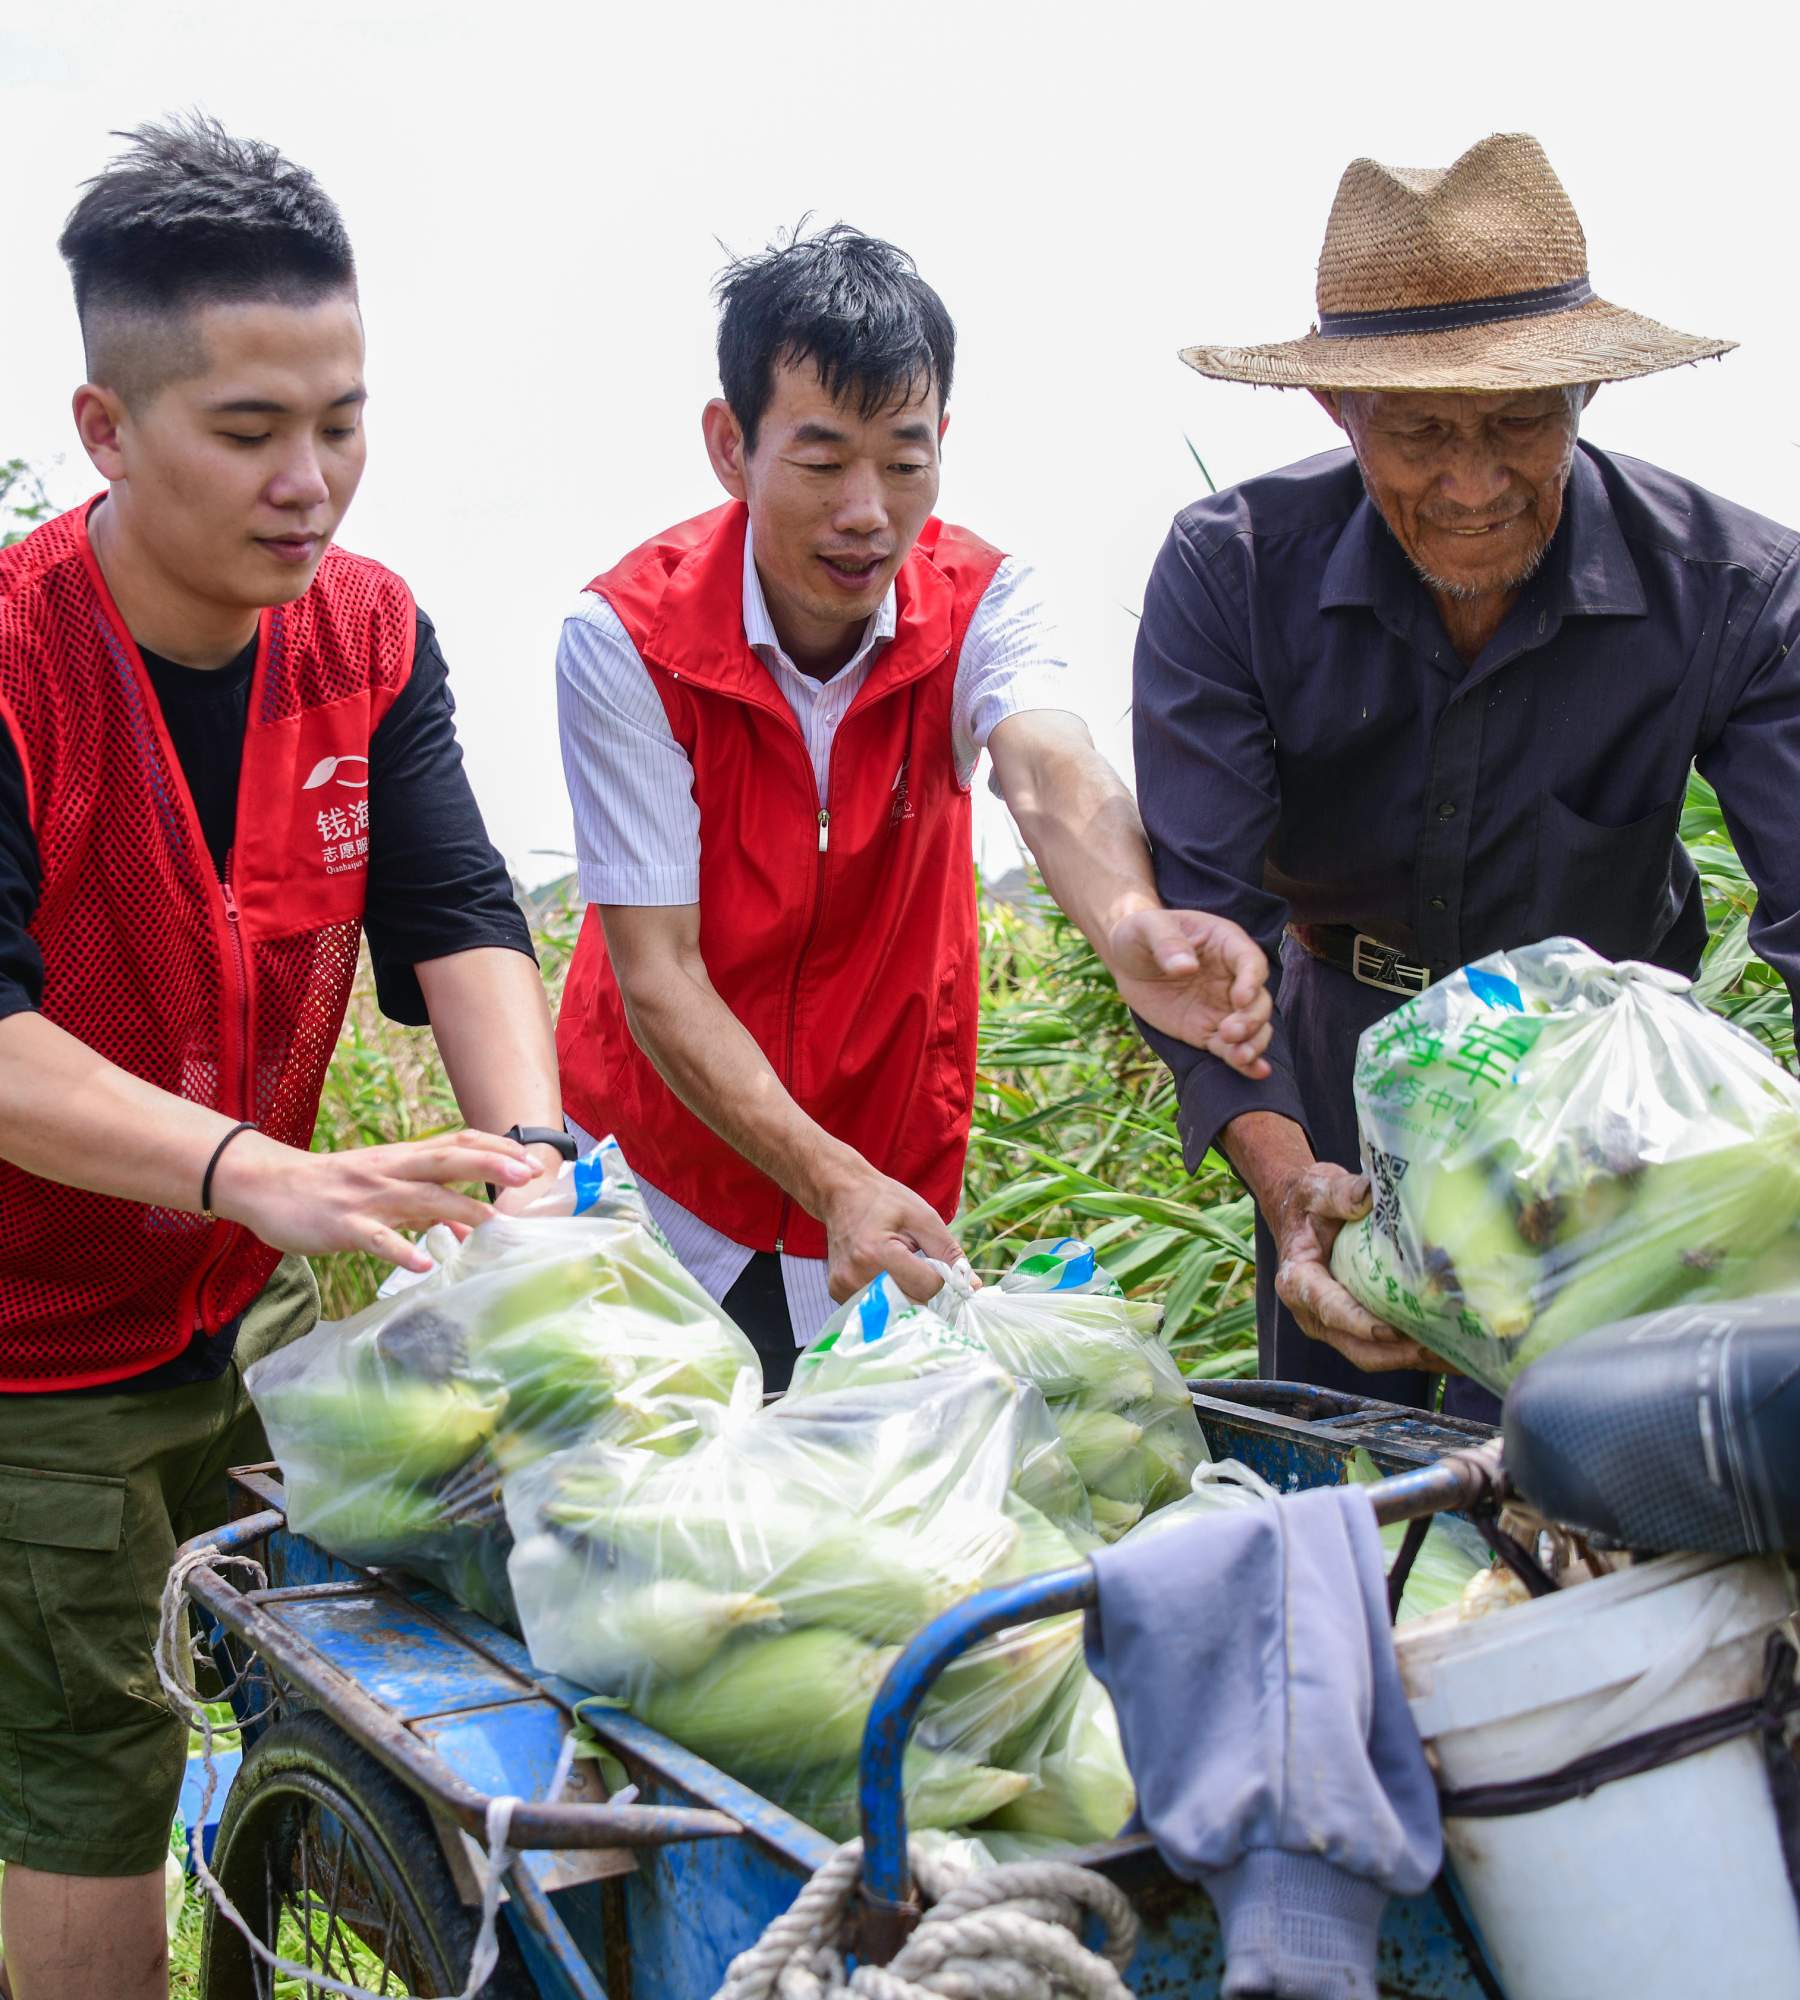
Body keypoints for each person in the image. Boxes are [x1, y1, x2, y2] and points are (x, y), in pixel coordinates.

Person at [0, 119, 567, 2000]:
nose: (307, 480)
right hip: (29, 1349)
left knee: (386, 1642)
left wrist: (544, 1161)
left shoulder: (371, 635)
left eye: (341, 420)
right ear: (105, 428)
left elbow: (461, 909)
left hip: (229, 1308)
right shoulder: (12, 669)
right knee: (89, 1769)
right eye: (248, 432)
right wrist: (261, 1167)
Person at [1132, 130, 1800, 1418]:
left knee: (1597, 1484)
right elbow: (1207, 936)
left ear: (1587, 397)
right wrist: (1290, 1190)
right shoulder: (1234, 575)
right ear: (1338, 412)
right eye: (1422, 430)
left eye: (1519, 423)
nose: (1474, 482)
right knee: (1355, 1488)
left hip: (1611, 1112)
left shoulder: (1733, 593)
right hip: (1332, 1070)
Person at [556, 224, 1272, 1387]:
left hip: (885, 1186)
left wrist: (1132, 919)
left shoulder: (983, 599)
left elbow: (1047, 768)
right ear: (730, 446)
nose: (868, 512)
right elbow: (659, 974)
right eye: (824, 459)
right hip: (657, 1188)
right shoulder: (626, 639)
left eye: (905, 458)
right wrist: (823, 1176)